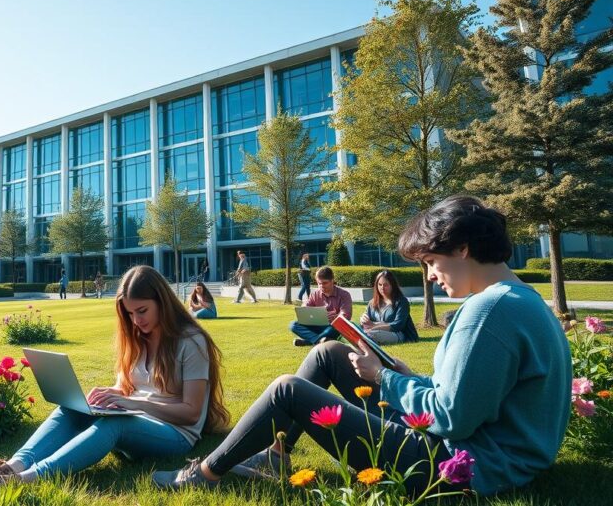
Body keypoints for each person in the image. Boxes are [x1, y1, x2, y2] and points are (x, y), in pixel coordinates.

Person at [152, 195, 572, 497]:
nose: (430, 276)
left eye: (430, 262)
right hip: (489, 451)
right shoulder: (520, 300)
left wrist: (386, 379)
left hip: (464, 466)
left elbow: (453, 418)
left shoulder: (488, 311)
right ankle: (277, 453)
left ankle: (204, 473)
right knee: (328, 353)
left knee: (287, 390)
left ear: (462, 248)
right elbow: (474, 395)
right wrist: (412, 378)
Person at [0, 265, 230, 488]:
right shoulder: (137, 338)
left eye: (142, 311)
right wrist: (112, 395)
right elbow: (129, 388)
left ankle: (25, 480)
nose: (136, 321)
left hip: (175, 433)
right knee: (73, 408)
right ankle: (11, 466)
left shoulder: (191, 342)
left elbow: (192, 413)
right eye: (130, 313)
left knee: (115, 426)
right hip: (137, 421)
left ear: (163, 302)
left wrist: (134, 404)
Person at [289, 266, 352, 346]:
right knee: (293, 325)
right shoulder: (315, 294)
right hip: (317, 326)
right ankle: (320, 341)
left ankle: (309, 341)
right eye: (319, 283)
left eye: (325, 283)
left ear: (332, 281)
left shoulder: (344, 294)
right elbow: (306, 308)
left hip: (333, 327)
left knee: (334, 328)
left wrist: (336, 317)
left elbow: (346, 316)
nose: (321, 286)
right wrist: (304, 307)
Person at [359, 270, 419, 345]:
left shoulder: (402, 301)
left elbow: (398, 325)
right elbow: (366, 323)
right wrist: (363, 320)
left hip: (398, 334)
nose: (382, 288)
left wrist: (374, 326)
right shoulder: (372, 302)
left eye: (386, 285)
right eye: (380, 285)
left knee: (370, 335)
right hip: (374, 331)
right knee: (359, 333)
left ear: (392, 285)